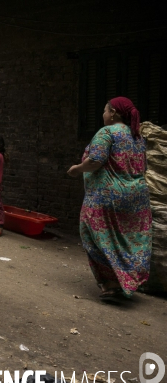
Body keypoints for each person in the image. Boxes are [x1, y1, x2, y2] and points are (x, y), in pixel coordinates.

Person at [67, 97, 151, 300]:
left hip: (107, 195)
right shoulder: (137, 137)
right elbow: (144, 167)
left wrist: (77, 170)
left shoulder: (107, 132)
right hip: (137, 196)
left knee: (91, 233)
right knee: (127, 239)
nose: (103, 114)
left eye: (105, 110)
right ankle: (128, 280)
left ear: (113, 113)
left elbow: (95, 160)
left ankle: (111, 285)